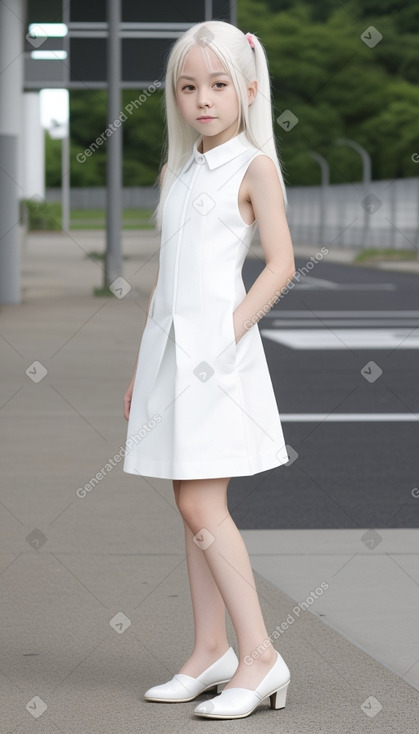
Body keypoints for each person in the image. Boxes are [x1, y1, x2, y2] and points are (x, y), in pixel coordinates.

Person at [123, 20, 296, 720]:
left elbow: (280, 264)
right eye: (188, 86)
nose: (202, 99)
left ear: (247, 90)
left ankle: (259, 657)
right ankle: (208, 652)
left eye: (218, 85)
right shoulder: (177, 169)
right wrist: (145, 366)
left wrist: (222, 337)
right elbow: (167, 282)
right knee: (188, 506)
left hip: (218, 360)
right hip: (169, 356)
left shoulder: (254, 166)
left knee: (202, 506)